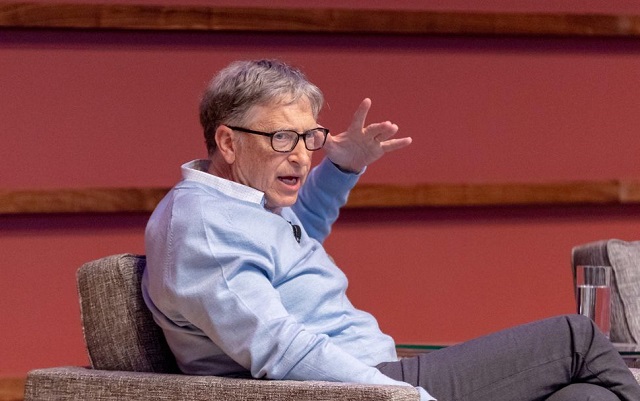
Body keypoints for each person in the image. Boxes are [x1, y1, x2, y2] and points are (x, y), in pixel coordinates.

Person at [142, 59, 640, 401]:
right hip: (361, 388)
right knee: (575, 337)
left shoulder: (244, 204)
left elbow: (294, 242)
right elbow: (280, 348)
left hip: (372, 375)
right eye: (283, 138)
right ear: (228, 142)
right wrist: (405, 396)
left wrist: (342, 168)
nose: (301, 156)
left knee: (586, 395)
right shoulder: (204, 227)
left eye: (309, 137)